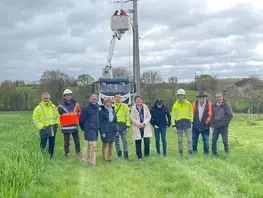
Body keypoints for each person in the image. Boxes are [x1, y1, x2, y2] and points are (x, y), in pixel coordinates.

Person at [58, 89, 83, 160]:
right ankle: (67, 154)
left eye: (69, 95)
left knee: (77, 141)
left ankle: (78, 153)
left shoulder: (76, 104)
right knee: (67, 142)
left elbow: (79, 114)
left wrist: (78, 122)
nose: (68, 97)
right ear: (64, 96)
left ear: (71, 96)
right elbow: (58, 115)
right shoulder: (60, 106)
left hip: (74, 125)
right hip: (66, 127)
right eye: (66, 95)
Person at [32, 92, 60, 158]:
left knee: (52, 144)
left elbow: (58, 116)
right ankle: (42, 157)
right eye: (45, 98)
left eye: (47, 98)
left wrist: (57, 123)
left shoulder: (53, 107)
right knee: (43, 144)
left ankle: (51, 157)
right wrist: (41, 126)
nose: (46, 99)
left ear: (49, 98)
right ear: (42, 98)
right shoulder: (38, 108)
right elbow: (35, 118)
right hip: (43, 129)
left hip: (52, 128)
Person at [79, 94, 100, 166]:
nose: (94, 100)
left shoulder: (97, 107)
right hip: (89, 129)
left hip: (95, 129)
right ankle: (92, 162)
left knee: (90, 146)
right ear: (89, 99)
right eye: (92, 99)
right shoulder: (86, 108)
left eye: (95, 99)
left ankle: (89, 160)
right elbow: (81, 120)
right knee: (93, 145)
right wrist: (83, 128)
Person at [171, 89, 193, 155]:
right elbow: (173, 116)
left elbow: (191, 114)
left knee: (189, 139)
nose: (181, 97)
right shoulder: (175, 105)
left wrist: (191, 122)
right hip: (178, 123)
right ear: (177, 96)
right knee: (180, 140)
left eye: (182, 95)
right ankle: (181, 151)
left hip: (187, 122)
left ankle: (190, 151)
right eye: (179, 95)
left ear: (184, 96)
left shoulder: (188, 104)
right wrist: (173, 125)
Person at [130, 96, 152, 160]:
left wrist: (144, 123)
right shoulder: (133, 108)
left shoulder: (145, 107)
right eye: (137, 100)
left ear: (142, 100)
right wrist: (139, 124)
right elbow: (132, 118)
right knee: (138, 142)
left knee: (147, 141)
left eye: (140, 100)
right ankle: (139, 156)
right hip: (137, 127)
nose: (139, 101)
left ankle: (146, 155)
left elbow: (149, 116)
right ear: (135, 101)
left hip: (145, 126)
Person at [99, 98, 118, 162]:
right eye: (107, 102)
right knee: (105, 144)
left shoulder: (113, 110)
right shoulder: (101, 111)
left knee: (111, 144)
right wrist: (102, 132)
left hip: (112, 129)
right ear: (105, 103)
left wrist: (116, 130)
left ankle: (110, 157)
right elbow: (101, 122)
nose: (109, 104)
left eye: (110, 102)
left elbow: (115, 121)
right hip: (105, 129)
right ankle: (104, 157)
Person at [113, 93, 130, 160]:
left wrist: (127, 126)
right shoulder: (112, 106)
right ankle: (119, 155)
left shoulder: (125, 106)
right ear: (114, 98)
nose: (118, 98)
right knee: (116, 141)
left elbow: (127, 116)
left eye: (119, 97)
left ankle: (126, 156)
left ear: (121, 98)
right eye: (116, 97)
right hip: (116, 125)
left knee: (125, 140)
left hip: (123, 124)